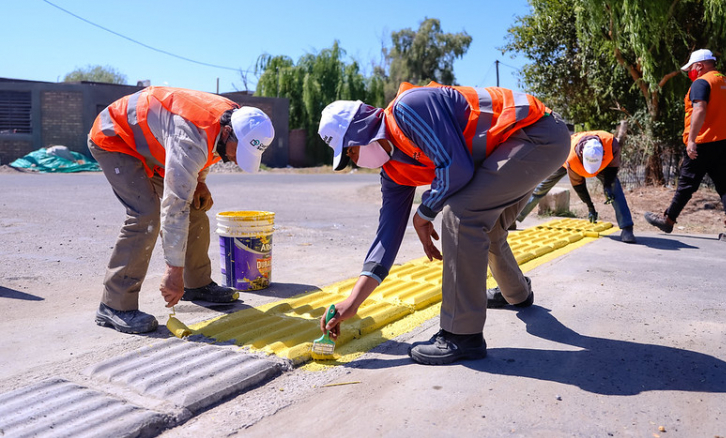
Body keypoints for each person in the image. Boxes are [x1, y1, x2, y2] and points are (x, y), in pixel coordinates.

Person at [317, 81, 570, 365]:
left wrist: (424, 213)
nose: (354, 160)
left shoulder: (409, 108)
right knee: (490, 224)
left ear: (362, 130)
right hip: (517, 148)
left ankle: (461, 336)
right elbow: (386, 237)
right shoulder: (394, 172)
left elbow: (456, 168)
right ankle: (517, 293)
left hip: (537, 136)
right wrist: (353, 302)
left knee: (461, 215)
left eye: (350, 151)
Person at [88, 86, 275, 334]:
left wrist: (200, 182)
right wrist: (172, 272)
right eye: (238, 152)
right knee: (146, 215)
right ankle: (114, 305)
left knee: (196, 206)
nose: (237, 159)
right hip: (116, 138)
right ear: (228, 133)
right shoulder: (191, 136)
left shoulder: (236, 121)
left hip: (157, 144)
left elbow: (207, 152)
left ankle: (196, 284)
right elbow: (174, 208)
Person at [644, 49, 726, 244]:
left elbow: (700, 109)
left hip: (704, 141)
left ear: (699, 66)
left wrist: (691, 139)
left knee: (687, 184)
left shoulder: (702, 82)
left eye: (691, 68)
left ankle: (668, 219)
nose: (690, 72)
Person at [562, 130, 636, 243]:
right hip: (570, 160)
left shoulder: (611, 144)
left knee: (614, 186)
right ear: (582, 153)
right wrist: (590, 207)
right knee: (542, 187)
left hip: (603, 165)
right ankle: (523, 214)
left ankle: (627, 228)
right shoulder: (571, 157)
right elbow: (579, 186)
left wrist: (607, 187)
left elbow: (612, 169)